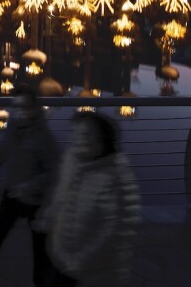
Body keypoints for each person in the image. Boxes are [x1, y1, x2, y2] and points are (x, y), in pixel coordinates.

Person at [42, 111, 142, 287]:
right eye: (76, 133)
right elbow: (61, 196)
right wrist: (49, 219)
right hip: (64, 258)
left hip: (98, 270)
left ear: (104, 139)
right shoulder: (72, 161)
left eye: (86, 134)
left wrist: (81, 260)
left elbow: (114, 230)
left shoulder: (116, 177)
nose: (79, 139)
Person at [0, 87, 61, 284]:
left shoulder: (43, 137)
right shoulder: (14, 125)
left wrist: (31, 185)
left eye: (24, 107)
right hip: (12, 191)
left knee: (39, 243)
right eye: (17, 107)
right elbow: (5, 147)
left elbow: (54, 171)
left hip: (35, 199)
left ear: (33, 108)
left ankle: (40, 280)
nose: (19, 112)